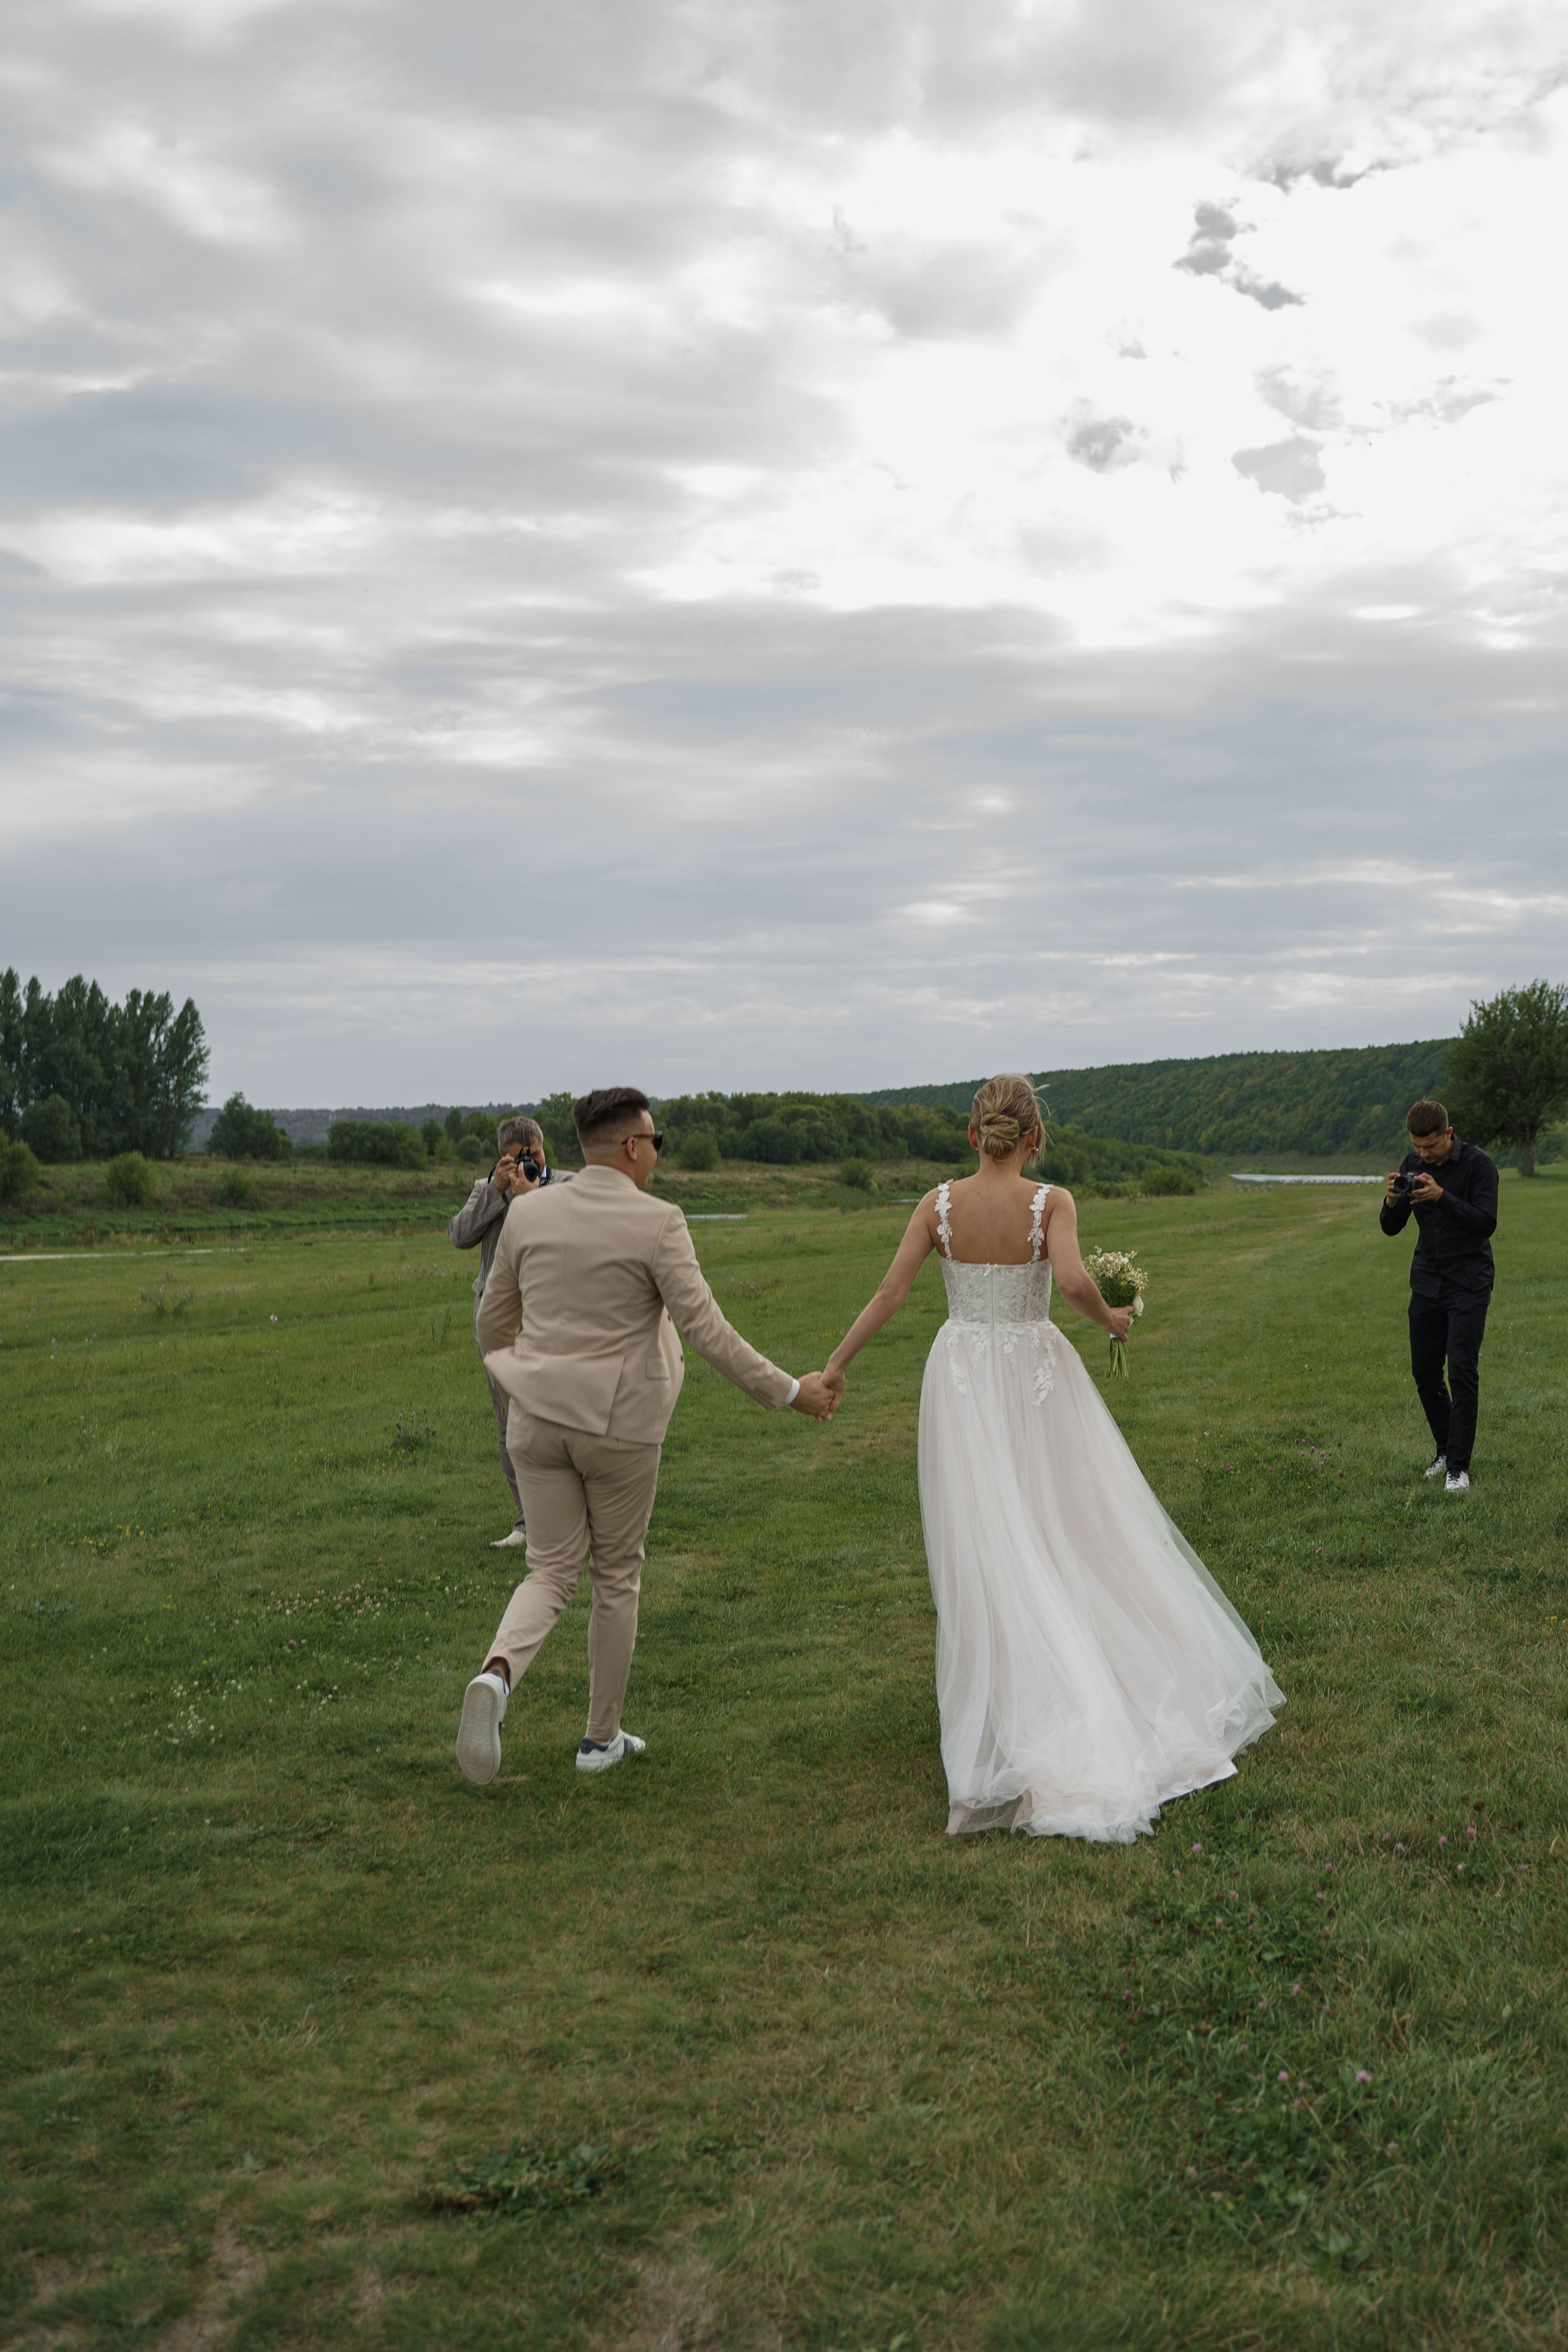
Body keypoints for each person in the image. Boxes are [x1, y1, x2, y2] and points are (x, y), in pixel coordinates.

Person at [823, 1073, 1283, 1844]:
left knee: (988, 1540)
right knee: (1068, 1525)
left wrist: (835, 1365)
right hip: (1035, 1375)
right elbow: (1069, 1279)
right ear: (1033, 1136)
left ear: (972, 1135)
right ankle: (1075, 1696)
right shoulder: (1052, 1202)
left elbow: (891, 1294)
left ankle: (1021, 1709)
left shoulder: (935, 1204)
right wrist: (1113, 1316)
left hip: (964, 1374)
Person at [455, 1086, 840, 1787]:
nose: (657, 1153)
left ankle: (497, 1675)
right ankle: (599, 1740)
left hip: (534, 1422)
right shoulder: (659, 1221)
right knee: (615, 1576)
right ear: (633, 1147)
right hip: (619, 1425)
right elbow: (707, 1331)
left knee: (549, 1570)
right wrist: (790, 1391)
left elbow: (492, 1322)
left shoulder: (528, 1215)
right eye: (655, 1142)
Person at [449, 1115, 572, 1547]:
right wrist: (497, 1192)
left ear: (544, 1147)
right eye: (519, 1158)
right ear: (503, 1157)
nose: (528, 1164)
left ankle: (570, 1515)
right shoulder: (490, 1190)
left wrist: (531, 1199)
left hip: (551, 1322)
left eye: (534, 1155)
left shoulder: (569, 1187)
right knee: (510, 1427)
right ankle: (527, 1523)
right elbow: (459, 1236)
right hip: (498, 1325)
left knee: (559, 1421)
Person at [1380, 1096, 1498, 1494]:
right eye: (1416, 1147)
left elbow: (1486, 1223)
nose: (1423, 1155)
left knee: (1461, 1373)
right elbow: (1390, 1228)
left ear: (1448, 1133)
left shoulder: (1478, 1164)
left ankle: (1459, 1469)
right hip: (1427, 1281)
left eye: (1430, 1146)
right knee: (1425, 1372)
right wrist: (1393, 1201)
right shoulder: (1414, 1166)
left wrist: (1441, 1197)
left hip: (1468, 1280)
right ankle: (1445, 1450)